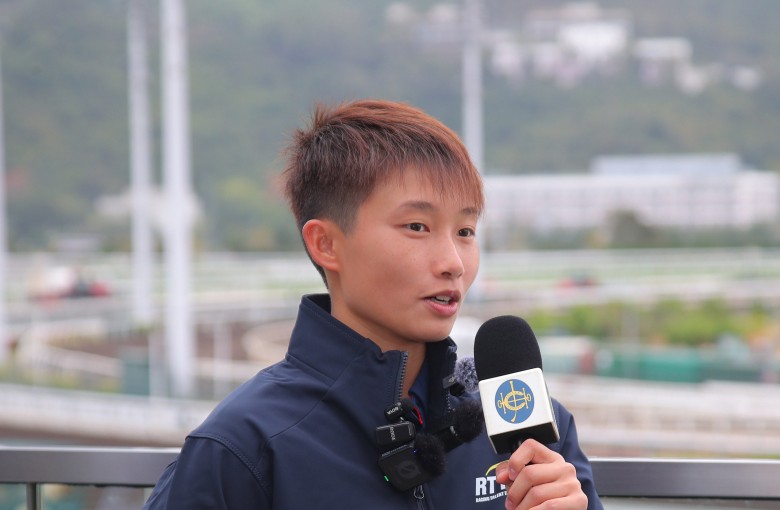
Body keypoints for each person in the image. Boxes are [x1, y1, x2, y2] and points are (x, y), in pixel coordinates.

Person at [143, 99, 602, 509]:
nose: (452, 263)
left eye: (465, 231)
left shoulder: (531, 424)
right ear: (326, 244)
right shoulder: (245, 445)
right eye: (417, 227)